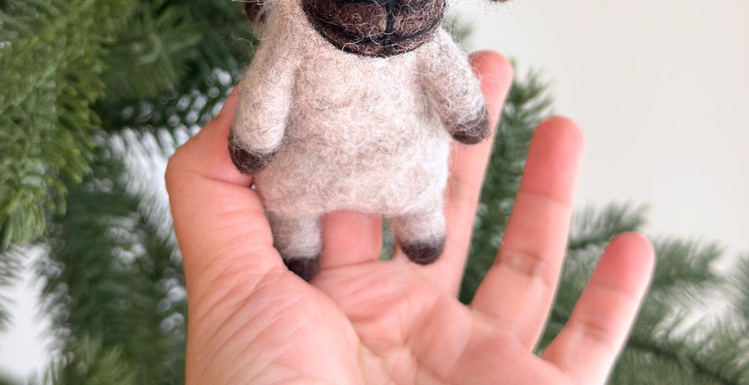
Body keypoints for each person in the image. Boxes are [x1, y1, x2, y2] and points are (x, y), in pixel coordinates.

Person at [166, 51, 655, 384]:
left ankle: (419, 228)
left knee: (421, 200)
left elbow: (455, 88)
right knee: (296, 206)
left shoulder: (418, 35)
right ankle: (304, 242)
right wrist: (254, 130)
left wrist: (466, 115)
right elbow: (264, 101)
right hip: (307, 172)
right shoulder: (292, 42)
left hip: (403, 174)